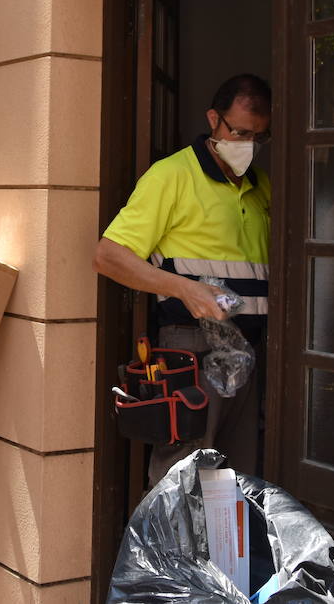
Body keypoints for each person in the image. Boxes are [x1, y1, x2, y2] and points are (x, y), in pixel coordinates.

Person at [94, 74, 272, 485]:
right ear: (214, 119)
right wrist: (184, 288)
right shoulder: (171, 175)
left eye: (259, 137)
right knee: (186, 476)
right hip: (191, 348)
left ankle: (223, 553)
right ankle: (170, 553)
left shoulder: (263, 187)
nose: (248, 144)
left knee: (237, 477)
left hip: (249, 350)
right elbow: (108, 257)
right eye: (239, 132)